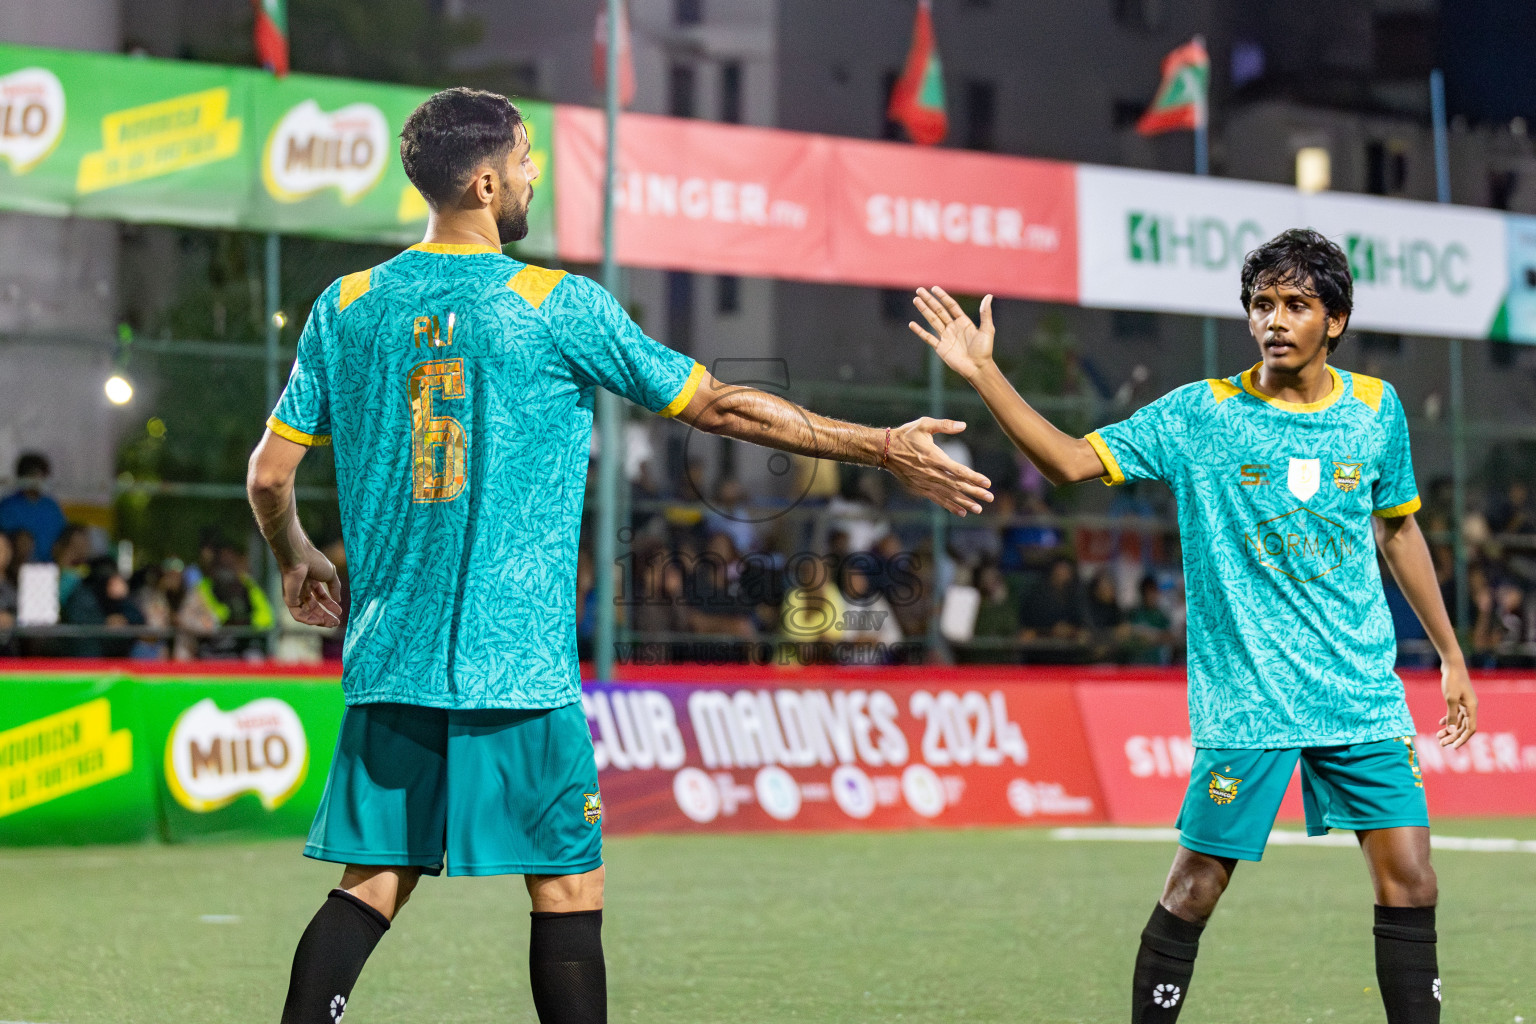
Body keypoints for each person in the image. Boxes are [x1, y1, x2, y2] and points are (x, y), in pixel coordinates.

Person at [245, 87, 992, 1024]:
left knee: (372, 884)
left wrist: (296, 553)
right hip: (515, 665)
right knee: (565, 889)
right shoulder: (554, 304)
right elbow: (720, 404)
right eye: (523, 159)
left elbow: (270, 478)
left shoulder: (344, 306)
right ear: (483, 180)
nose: (533, 173)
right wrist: (881, 446)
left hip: (389, 659)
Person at [910, 227, 1476, 1024]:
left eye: (1295, 304)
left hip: (1360, 693)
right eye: (1261, 305)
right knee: (1194, 888)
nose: (1274, 320)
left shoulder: (1378, 411)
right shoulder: (1200, 414)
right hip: (1249, 699)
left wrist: (1450, 653)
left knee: (1413, 880)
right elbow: (1070, 462)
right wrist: (985, 374)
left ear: (1335, 320)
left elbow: (1400, 529)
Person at [0, 453, 67, 563]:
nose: (39, 479)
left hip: (51, 566)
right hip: (17, 568)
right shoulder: (8, 506)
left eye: (43, 475)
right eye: (34, 475)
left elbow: (63, 537)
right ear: (23, 477)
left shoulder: (51, 506)